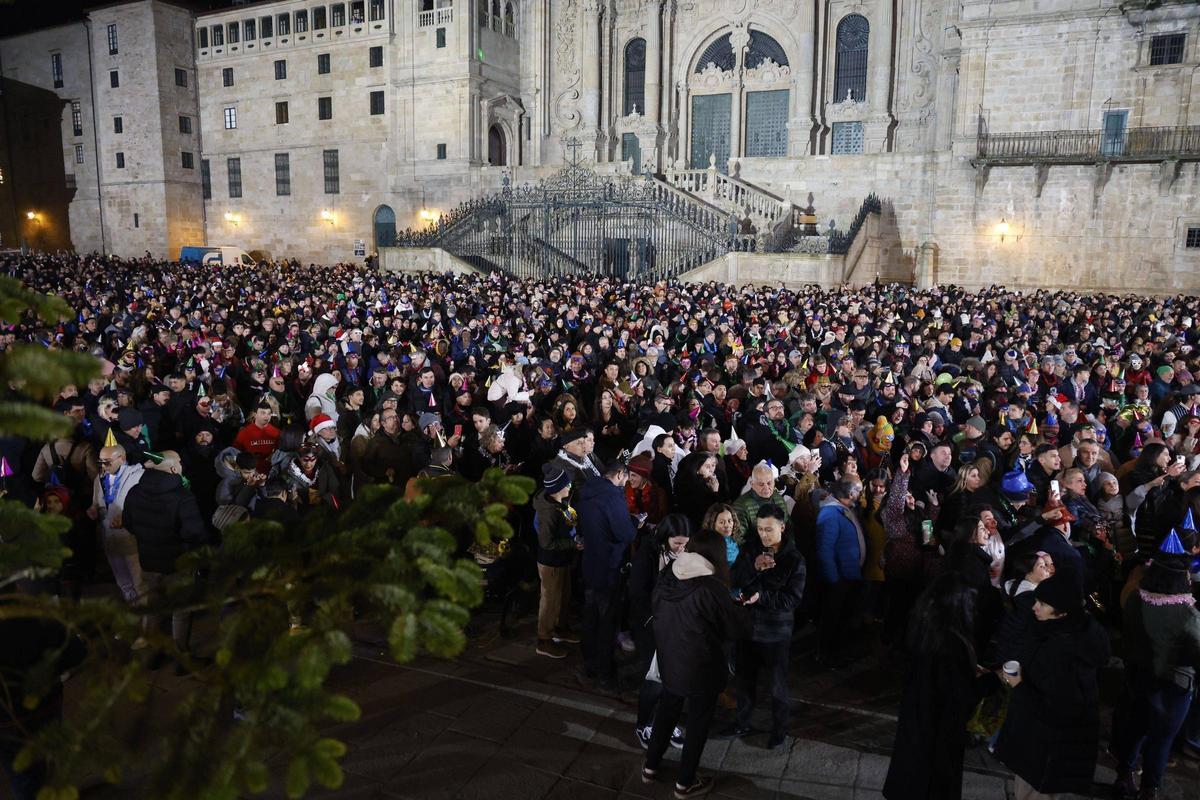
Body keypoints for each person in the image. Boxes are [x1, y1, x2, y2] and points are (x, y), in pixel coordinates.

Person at [641, 528, 752, 798]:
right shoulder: (711, 587)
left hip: (670, 660)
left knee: (666, 711)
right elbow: (735, 629)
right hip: (701, 667)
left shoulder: (669, 573)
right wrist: (742, 608)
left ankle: (650, 767)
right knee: (698, 723)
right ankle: (685, 782)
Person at [993, 572, 1111, 800]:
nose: (1035, 607)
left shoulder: (1063, 650)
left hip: (1046, 749)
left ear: (1063, 611)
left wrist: (1018, 684)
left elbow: (1056, 706)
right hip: (1046, 746)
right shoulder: (1066, 631)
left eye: (1043, 604)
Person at [883, 573, 997, 800]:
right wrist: (991, 680)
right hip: (938, 736)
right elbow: (962, 696)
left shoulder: (923, 628)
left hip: (915, 728)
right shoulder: (953, 643)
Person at [1110, 529, 1200, 800]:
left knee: (1135, 727)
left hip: (1139, 675)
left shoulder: (1136, 599)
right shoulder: (1187, 614)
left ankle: (1123, 777)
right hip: (1173, 685)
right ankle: (1151, 787)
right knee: (1161, 739)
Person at [720, 504, 805, 749]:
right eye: (759, 529)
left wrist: (762, 597)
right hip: (748, 628)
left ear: (782, 527)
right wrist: (752, 567)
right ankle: (742, 722)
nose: (763, 534)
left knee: (777, 685)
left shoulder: (794, 559)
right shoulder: (750, 548)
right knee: (744, 680)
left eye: (769, 529)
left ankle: (780, 729)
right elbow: (733, 579)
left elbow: (792, 599)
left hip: (775, 632)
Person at [122, 450, 208, 663]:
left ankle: (152, 654)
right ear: (172, 469)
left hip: (149, 562)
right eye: (179, 463)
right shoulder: (182, 496)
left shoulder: (135, 492)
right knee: (180, 611)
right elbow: (195, 532)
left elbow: (128, 523)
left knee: (155, 608)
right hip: (179, 563)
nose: (181, 466)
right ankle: (182, 657)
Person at [628, 514, 691, 749]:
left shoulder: (686, 554)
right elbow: (638, 593)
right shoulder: (648, 554)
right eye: (677, 543)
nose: (681, 548)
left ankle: (666, 720)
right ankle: (644, 724)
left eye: (685, 543)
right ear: (665, 538)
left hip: (678, 627)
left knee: (674, 680)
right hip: (652, 627)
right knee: (655, 679)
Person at [576, 460, 638, 692]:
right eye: (626, 478)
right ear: (620, 474)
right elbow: (624, 532)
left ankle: (589, 664)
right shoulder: (613, 497)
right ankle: (605, 673)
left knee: (590, 617)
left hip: (590, 564)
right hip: (610, 568)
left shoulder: (587, 492)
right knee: (607, 622)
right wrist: (634, 522)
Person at [533, 465, 580, 659]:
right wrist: (572, 544)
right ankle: (544, 639)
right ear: (557, 488)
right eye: (567, 484)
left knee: (564, 596)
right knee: (550, 601)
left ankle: (560, 629)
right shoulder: (549, 511)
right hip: (551, 562)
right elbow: (546, 542)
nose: (570, 487)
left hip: (562, 559)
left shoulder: (559, 500)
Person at [815, 479, 864, 666]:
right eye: (858, 491)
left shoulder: (844, 510)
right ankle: (827, 656)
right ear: (850, 493)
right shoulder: (830, 514)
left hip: (848, 576)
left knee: (842, 618)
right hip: (838, 579)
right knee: (832, 619)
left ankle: (838, 653)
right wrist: (834, 579)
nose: (860, 494)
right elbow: (824, 550)